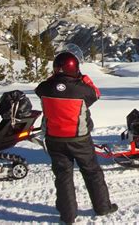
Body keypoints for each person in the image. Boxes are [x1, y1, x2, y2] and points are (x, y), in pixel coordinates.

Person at [35, 44, 117, 224]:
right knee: (92, 172)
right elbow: (95, 94)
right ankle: (102, 207)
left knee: (63, 176)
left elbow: (43, 88)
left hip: (55, 139)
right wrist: (84, 78)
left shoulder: (44, 88)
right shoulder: (82, 90)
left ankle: (68, 215)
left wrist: (57, 79)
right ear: (75, 68)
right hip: (79, 139)